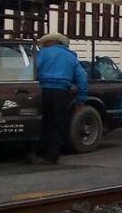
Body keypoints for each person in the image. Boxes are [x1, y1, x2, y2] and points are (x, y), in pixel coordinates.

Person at [34, 32, 88, 165]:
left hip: (43, 91)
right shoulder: (71, 57)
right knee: (57, 122)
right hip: (61, 93)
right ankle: (53, 155)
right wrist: (81, 99)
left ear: (50, 42)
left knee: (42, 121)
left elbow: (32, 70)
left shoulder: (41, 54)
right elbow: (82, 78)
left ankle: (38, 151)